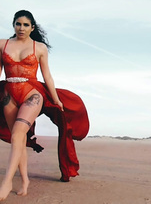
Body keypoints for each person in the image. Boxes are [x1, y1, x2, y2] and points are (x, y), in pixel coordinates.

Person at [0, 10, 89, 201]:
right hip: (9, 93)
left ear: (32, 27)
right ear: (13, 25)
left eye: (25, 25)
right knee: (19, 140)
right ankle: (24, 181)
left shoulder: (39, 47)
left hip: (32, 93)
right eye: (18, 24)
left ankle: (7, 182)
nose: (21, 28)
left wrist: (56, 99)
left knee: (17, 133)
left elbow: (47, 75)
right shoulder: (2, 44)